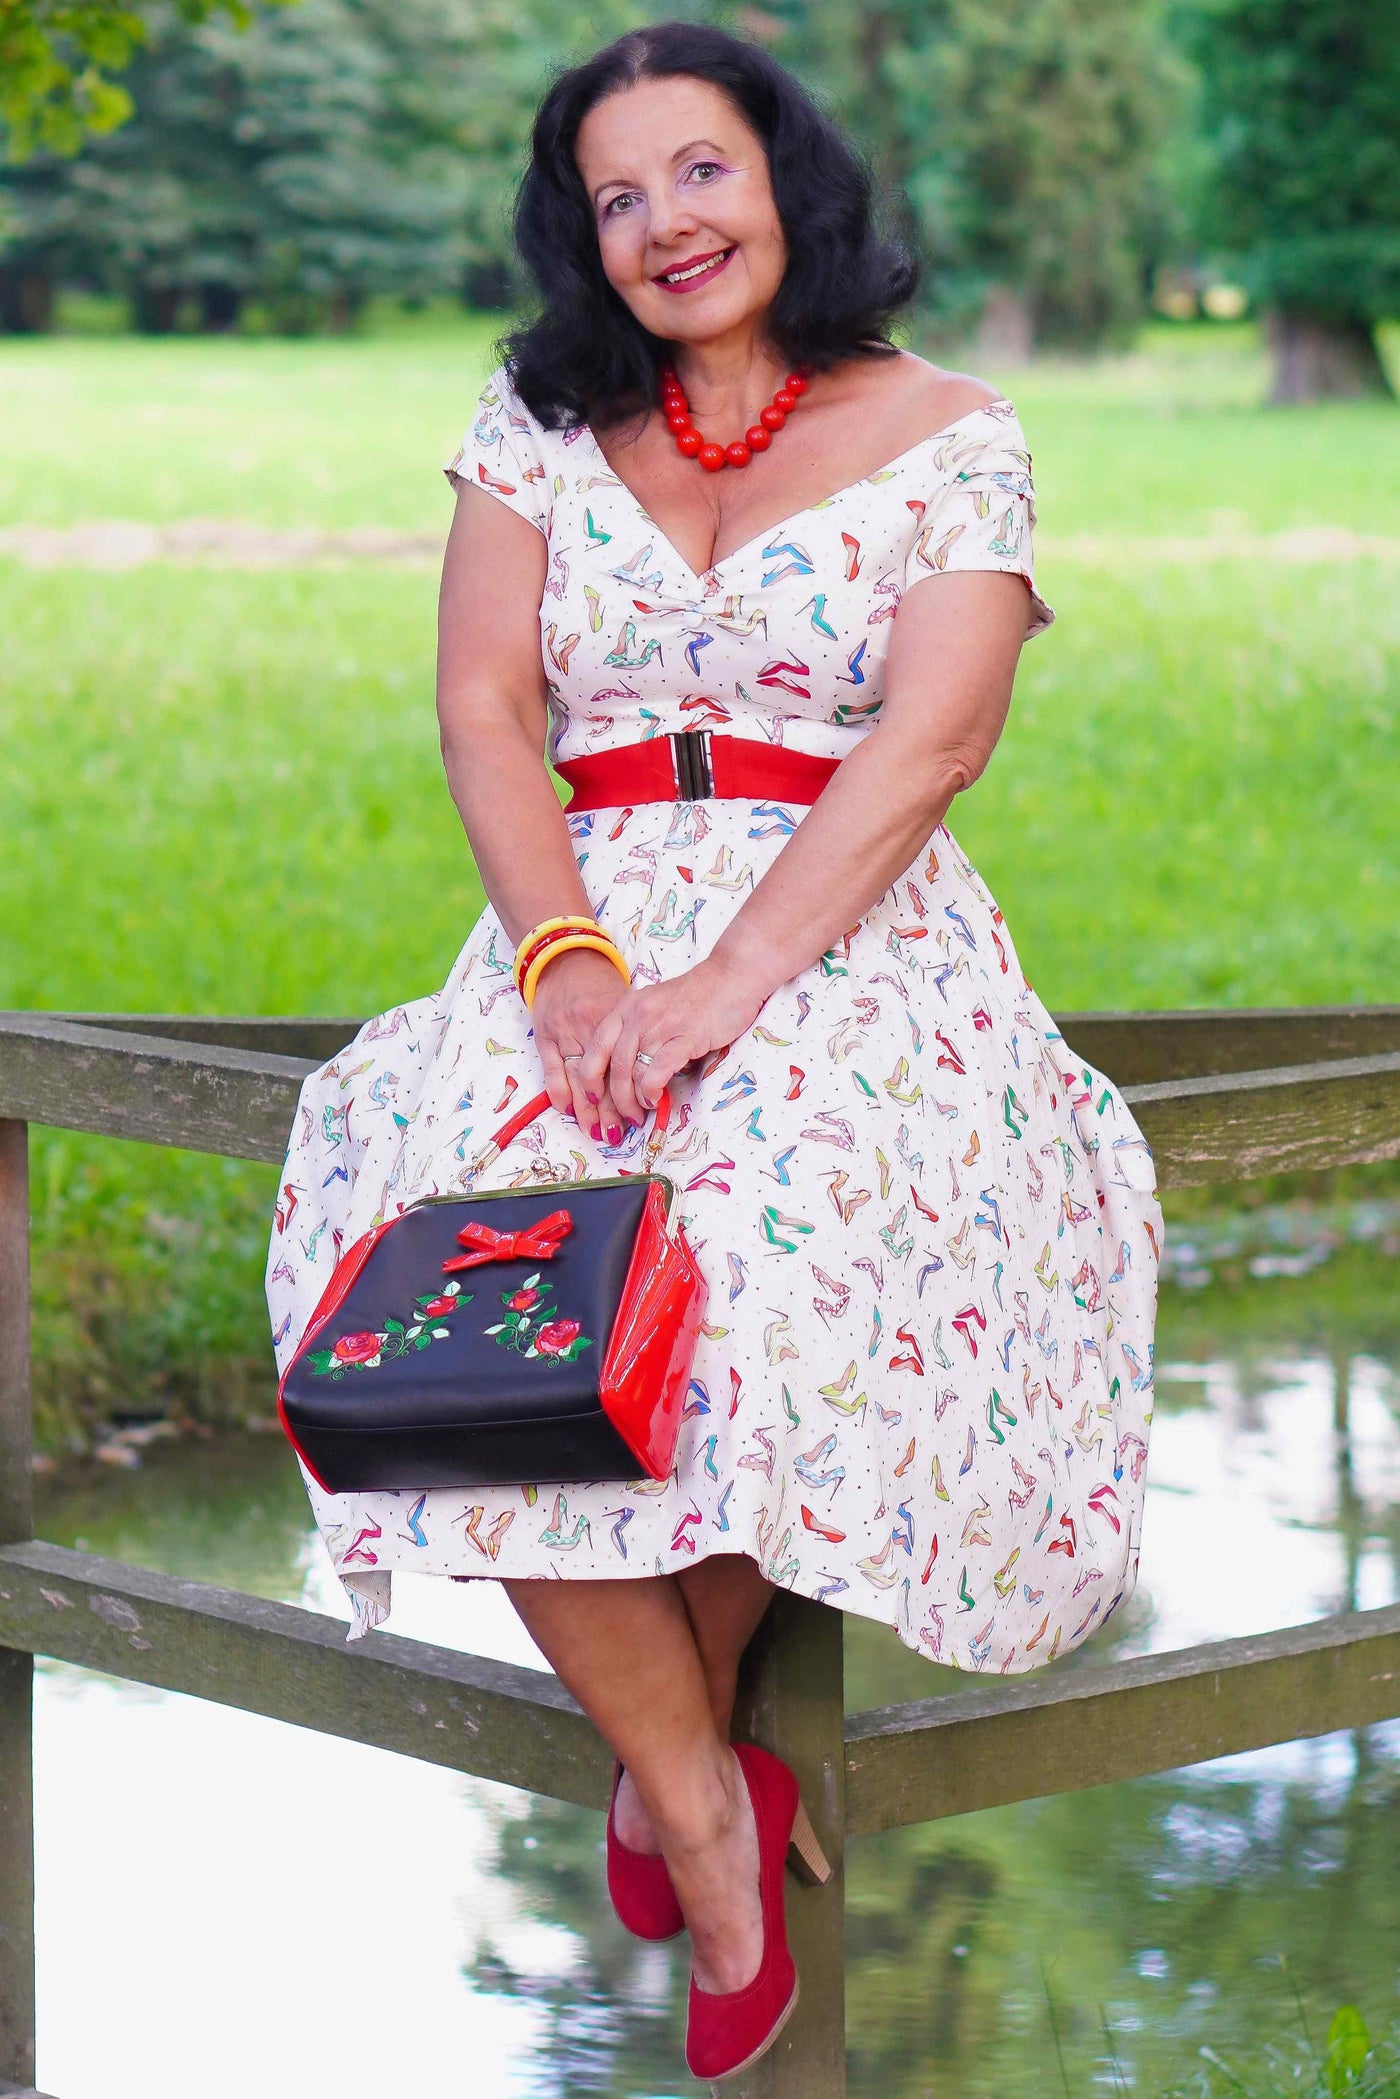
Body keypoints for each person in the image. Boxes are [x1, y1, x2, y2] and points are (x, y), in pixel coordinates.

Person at [266, 20, 1162, 2080]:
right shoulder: (534, 421)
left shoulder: (954, 429)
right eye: (616, 195)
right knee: (450, 1290)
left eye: (698, 169)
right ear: (579, 240)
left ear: (784, 177)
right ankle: (699, 1795)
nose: (665, 221)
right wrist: (574, 960)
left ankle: (676, 1769)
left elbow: (931, 738)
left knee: (769, 1250)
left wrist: (724, 991)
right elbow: (489, 709)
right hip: (568, 923)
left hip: (846, 933)